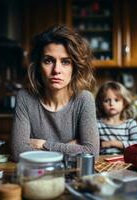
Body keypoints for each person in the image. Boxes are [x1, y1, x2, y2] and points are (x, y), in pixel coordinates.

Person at [10, 25, 99, 162]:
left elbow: (91, 153)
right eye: (48, 61)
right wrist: (70, 148)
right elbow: (18, 153)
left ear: (74, 68)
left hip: (73, 177)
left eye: (65, 62)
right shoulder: (25, 98)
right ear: (38, 66)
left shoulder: (84, 99)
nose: (56, 70)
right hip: (36, 176)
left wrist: (44, 144)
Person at [95, 81, 137, 154]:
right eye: (106, 100)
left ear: (124, 103)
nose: (111, 104)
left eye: (116, 100)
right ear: (100, 104)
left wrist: (111, 143)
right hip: (103, 162)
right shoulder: (97, 124)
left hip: (125, 161)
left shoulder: (130, 124)